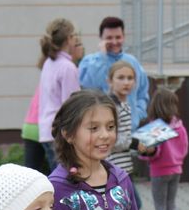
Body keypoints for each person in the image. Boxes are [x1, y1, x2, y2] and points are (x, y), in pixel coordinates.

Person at [138, 87, 189, 210]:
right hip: (176, 171)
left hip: (160, 172)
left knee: (160, 208)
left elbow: (153, 152)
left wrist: (144, 153)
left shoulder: (155, 128)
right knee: (171, 206)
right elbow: (185, 148)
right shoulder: (179, 126)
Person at [24, 36, 86, 173]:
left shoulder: (51, 65)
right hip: (48, 127)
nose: (82, 48)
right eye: (78, 44)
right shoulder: (66, 68)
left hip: (37, 126)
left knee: (35, 177)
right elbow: (70, 104)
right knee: (61, 176)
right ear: (69, 45)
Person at [79, 16, 150, 126]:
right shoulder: (89, 62)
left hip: (129, 131)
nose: (114, 41)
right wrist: (102, 57)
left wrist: (138, 113)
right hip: (100, 130)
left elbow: (142, 92)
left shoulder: (133, 62)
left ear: (124, 37)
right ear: (101, 38)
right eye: (109, 38)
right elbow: (89, 88)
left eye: (118, 37)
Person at [39, 18, 81, 171]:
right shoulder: (67, 67)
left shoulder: (49, 63)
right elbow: (73, 106)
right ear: (69, 38)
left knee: (57, 179)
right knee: (66, 183)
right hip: (60, 134)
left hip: (46, 130)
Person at [106, 60, 143, 210]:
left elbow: (124, 134)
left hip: (124, 167)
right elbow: (110, 139)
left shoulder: (124, 104)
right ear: (109, 81)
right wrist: (135, 143)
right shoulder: (111, 106)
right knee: (131, 207)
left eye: (130, 78)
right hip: (113, 168)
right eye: (120, 78)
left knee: (129, 208)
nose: (126, 82)